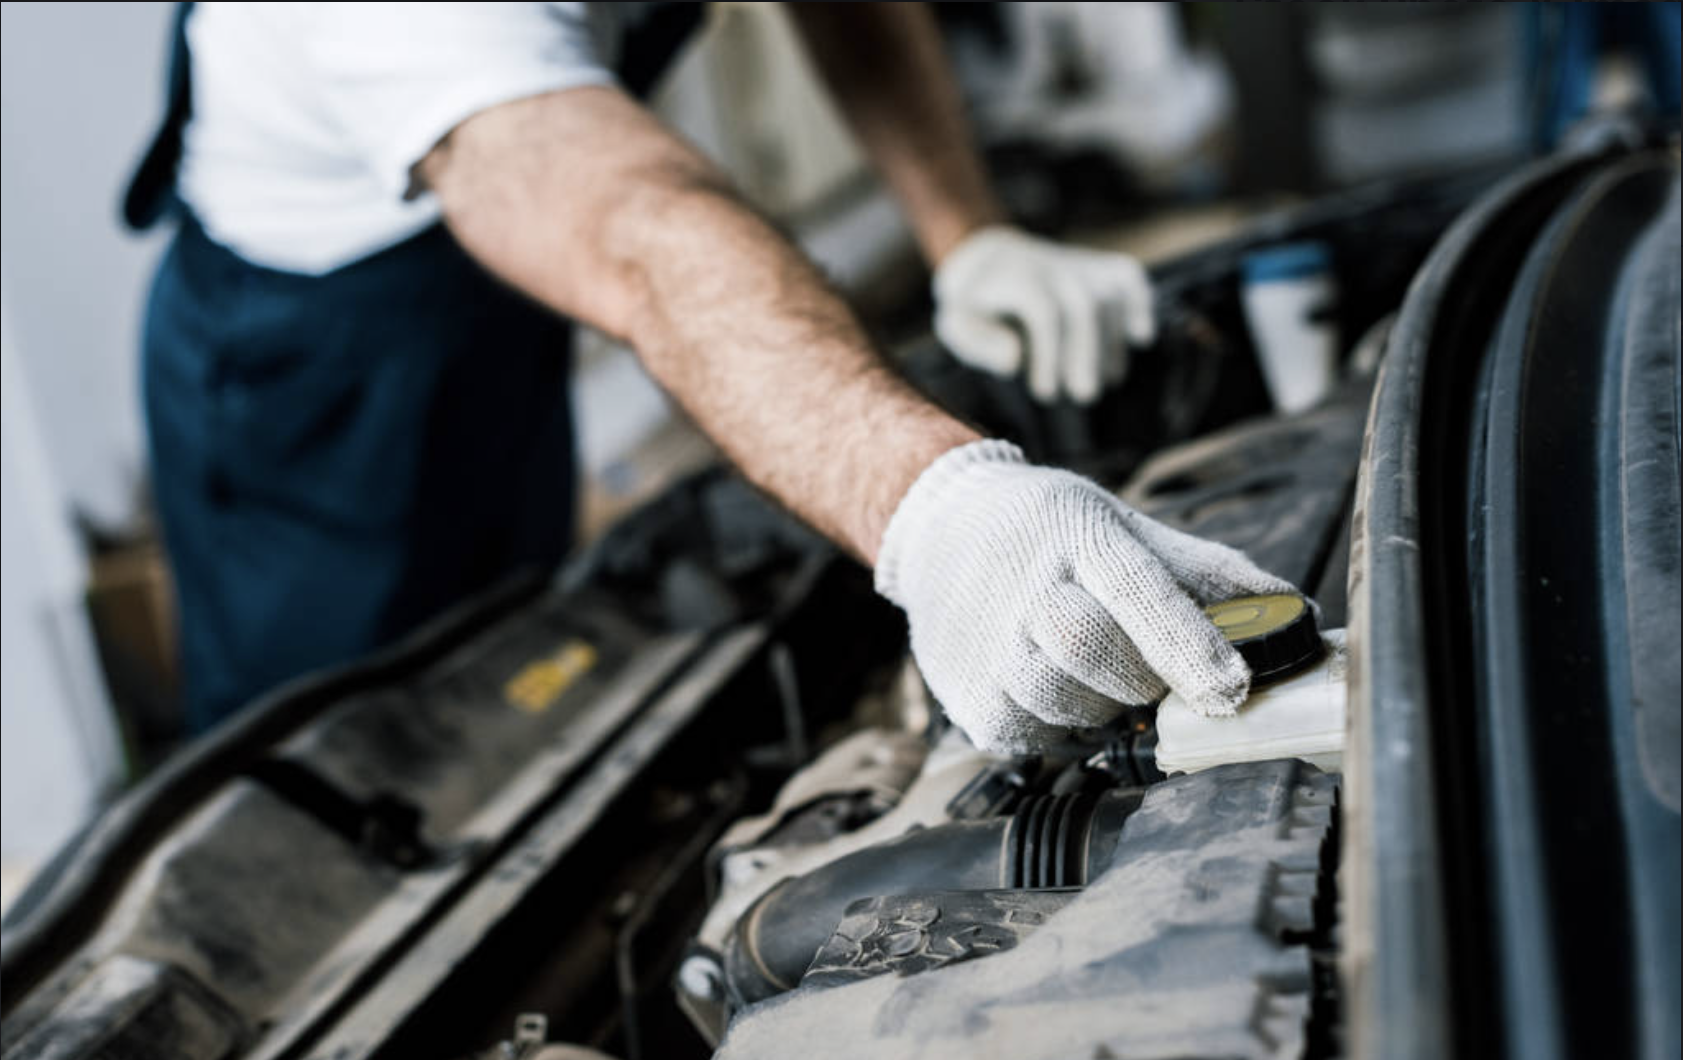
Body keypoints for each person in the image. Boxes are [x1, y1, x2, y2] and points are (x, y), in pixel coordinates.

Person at [125, 2, 1295, 748]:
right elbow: (634, 231)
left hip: (498, 292)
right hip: (319, 366)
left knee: (517, 647)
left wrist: (964, 231)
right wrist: (935, 503)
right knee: (362, 741)